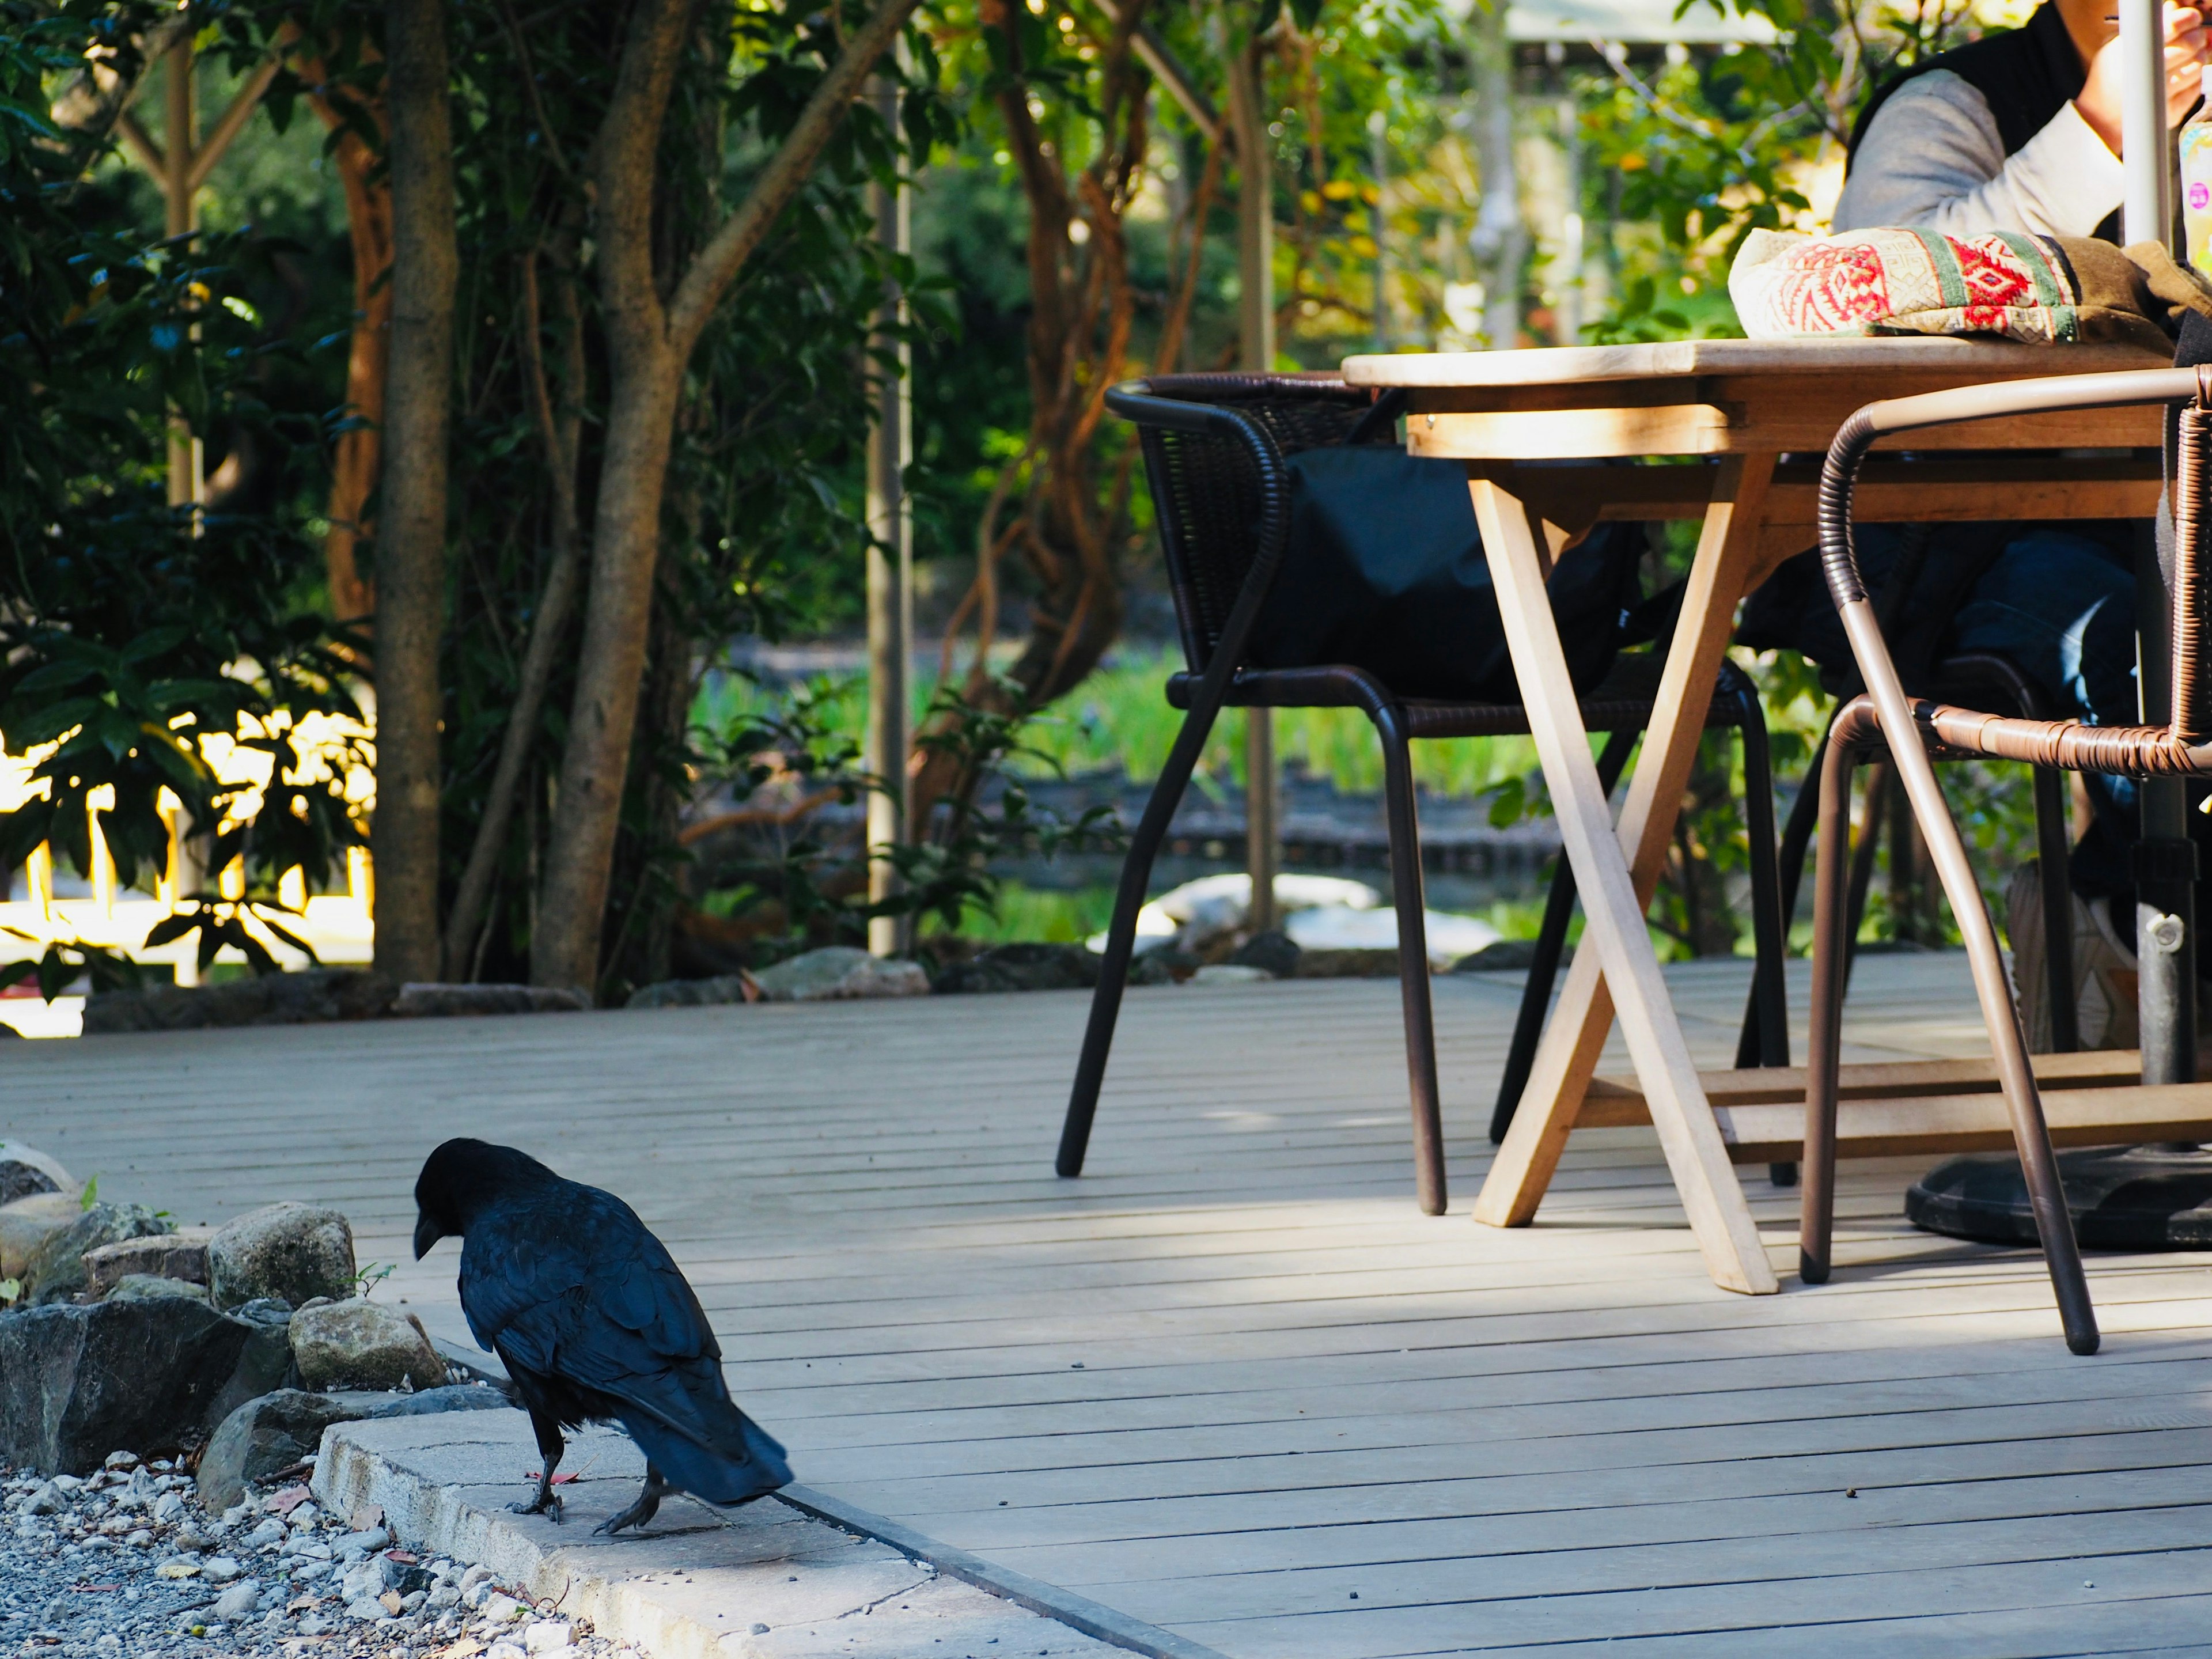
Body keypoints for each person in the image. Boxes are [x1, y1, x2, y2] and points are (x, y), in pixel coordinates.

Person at [1737, 0, 2211, 1036]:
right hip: (1954, 550)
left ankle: (2113, 918)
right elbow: (1878, 294)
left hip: (2175, 520)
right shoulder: (1955, 107)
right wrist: (2098, 134)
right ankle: (2136, 931)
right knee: (2150, 653)